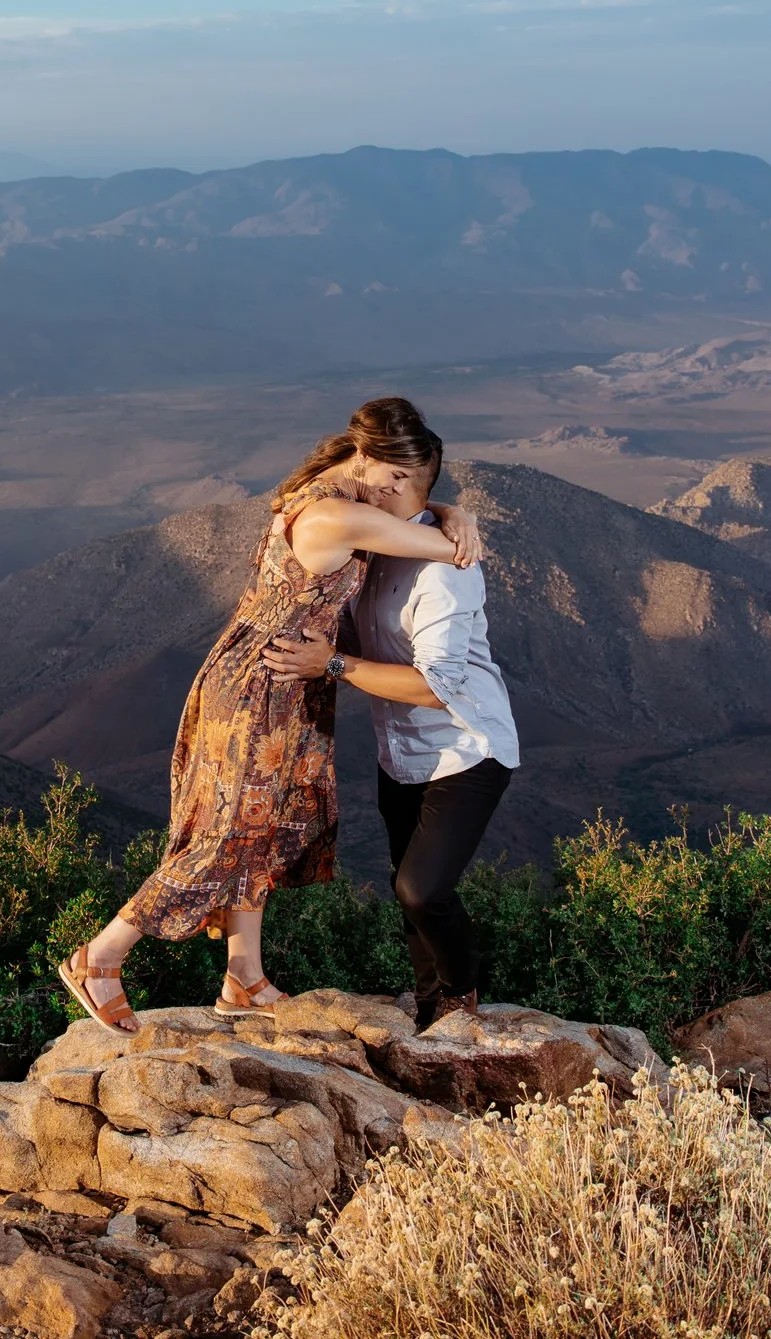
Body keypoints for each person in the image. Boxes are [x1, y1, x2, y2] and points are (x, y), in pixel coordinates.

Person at [57, 397, 482, 1034]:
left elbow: (423, 519)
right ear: (364, 457)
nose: (399, 491)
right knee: (226, 833)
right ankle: (101, 957)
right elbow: (450, 548)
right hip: (261, 685)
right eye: (393, 477)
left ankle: (245, 977)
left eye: (407, 481)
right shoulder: (337, 514)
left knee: (259, 828)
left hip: (286, 678)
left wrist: (448, 506)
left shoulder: (338, 484)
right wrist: (460, 515)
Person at [258, 410, 519, 1030]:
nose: (369, 488)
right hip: (398, 755)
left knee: (422, 889)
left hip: (466, 750)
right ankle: (431, 1007)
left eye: (390, 481)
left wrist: (334, 665)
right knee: (406, 886)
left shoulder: (444, 576)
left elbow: (435, 691)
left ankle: (461, 994)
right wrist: (456, 512)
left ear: (405, 485)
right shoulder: (375, 548)